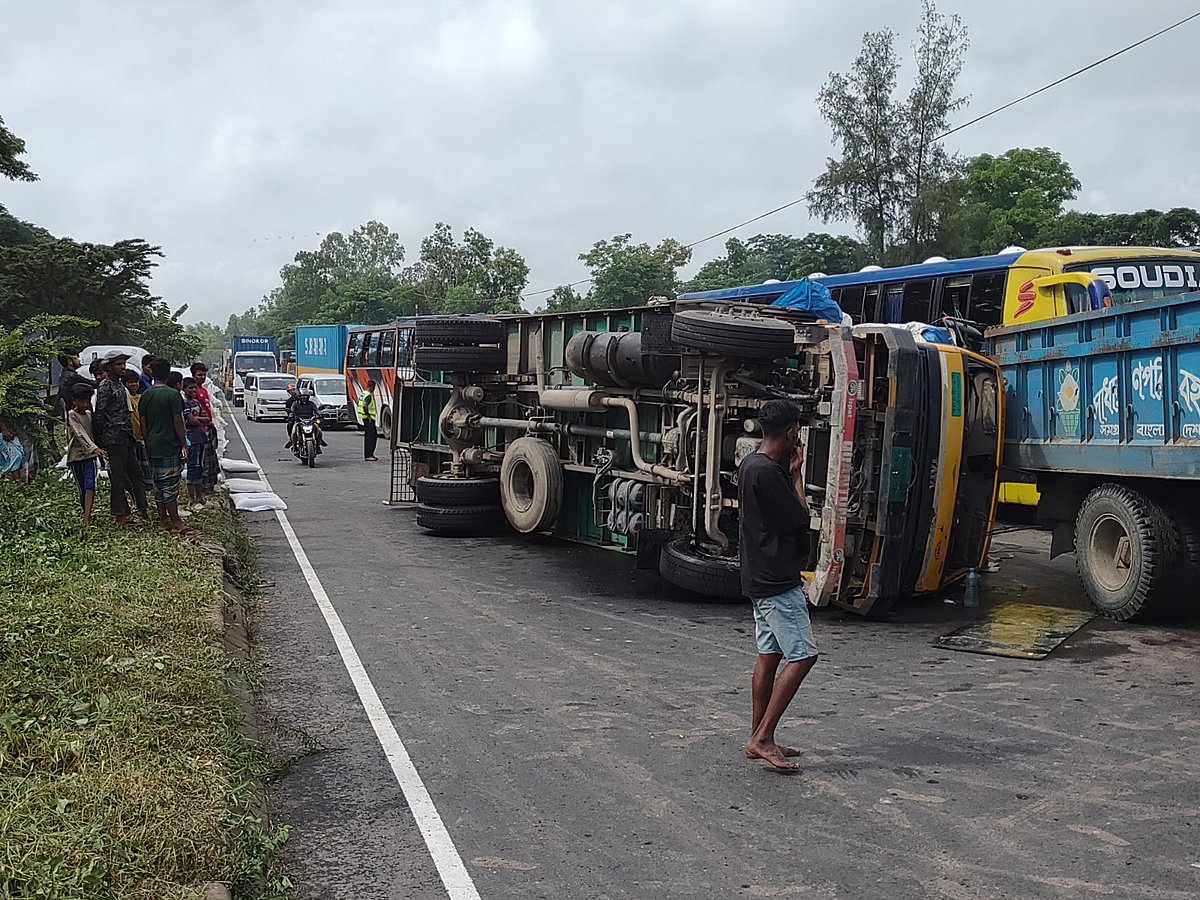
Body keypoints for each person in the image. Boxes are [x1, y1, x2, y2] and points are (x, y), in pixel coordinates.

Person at [737, 399, 818, 771]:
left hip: (758, 574)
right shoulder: (770, 474)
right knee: (803, 655)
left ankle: (758, 735)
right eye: (797, 432)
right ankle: (763, 736)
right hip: (777, 580)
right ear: (789, 433)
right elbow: (798, 518)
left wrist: (791, 472)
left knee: (769, 654)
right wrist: (798, 479)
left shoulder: (752, 464)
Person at [93, 351, 148, 525]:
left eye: (124, 363)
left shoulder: (120, 386)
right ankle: (120, 515)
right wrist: (100, 441)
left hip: (126, 436)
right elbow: (99, 414)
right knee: (117, 478)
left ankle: (142, 509)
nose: (123, 367)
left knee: (136, 474)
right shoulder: (106, 386)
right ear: (109, 367)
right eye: (119, 364)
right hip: (113, 438)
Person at [139, 358, 193, 536]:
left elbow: (143, 423)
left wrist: (148, 441)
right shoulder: (172, 395)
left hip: (152, 444)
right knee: (170, 484)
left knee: (159, 484)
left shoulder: (145, 395)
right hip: (169, 445)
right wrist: (183, 443)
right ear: (168, 373)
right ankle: (177, 522)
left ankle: (163, 520)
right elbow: (178, 420)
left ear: (152, 373)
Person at [65, 384, 106, 526]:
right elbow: (79, 433)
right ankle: (86, 512)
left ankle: (86, 517)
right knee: (82, 487)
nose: (85, 404)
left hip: (90, 456)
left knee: (90, 484)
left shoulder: (90, 415)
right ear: (74, 401)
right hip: (76, 455)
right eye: (81, 401)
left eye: (87, 401)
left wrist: (96, 449)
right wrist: (93, 448)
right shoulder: (71, 415)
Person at [120, 369, 154, 497]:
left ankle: (147, 484)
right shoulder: (125, 398)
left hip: (142, 435)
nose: (134, 385)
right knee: (136, 465)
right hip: (132, 437)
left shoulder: (141, 398)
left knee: (144, 462)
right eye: (130, 382)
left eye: (136, 382)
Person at [190, 362, 219, 496]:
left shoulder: (204, 390)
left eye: (204, 375)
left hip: (208, 427)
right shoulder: (194, 391)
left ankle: (210, 486)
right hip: (200, 430)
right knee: (203, 461)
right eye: (199, 374)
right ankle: (203, 489)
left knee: (211, 459)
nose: (202, 377)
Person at [181, 377, 211, 506]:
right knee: (192, 467)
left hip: (200, 437)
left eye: (194, 387)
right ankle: (191, 498)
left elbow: (206, 418)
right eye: (190, 388)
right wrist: (199, 419)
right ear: (183, 389)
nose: (193, 390)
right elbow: (191, 421)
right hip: (191, 438)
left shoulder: (196, 403)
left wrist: (197, 418)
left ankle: (200, 497)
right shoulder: (184, 403)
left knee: (200, 467)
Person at [285, 387, 322, 452]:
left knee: (319, 431)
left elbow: (316, 410)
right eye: (303, 396)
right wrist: (291, 416)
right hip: (299, 421)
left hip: (310, 421)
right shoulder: (295, 403)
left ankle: (318, 446)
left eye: (306, 396)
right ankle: (294, 447)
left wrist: (319, 414)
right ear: (300, 396)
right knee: (293, 432)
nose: (304, 397)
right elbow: (292, 411)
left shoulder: (311, 403)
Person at [358, 379, 379, 461]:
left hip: (364, 418)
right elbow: (365, 406)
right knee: (371, 437)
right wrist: (369, 416)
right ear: (372, 387)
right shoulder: (368, 395)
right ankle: (369, 455)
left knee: (368, 436)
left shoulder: (363, 393)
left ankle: (368, 454)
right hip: (368, 419)